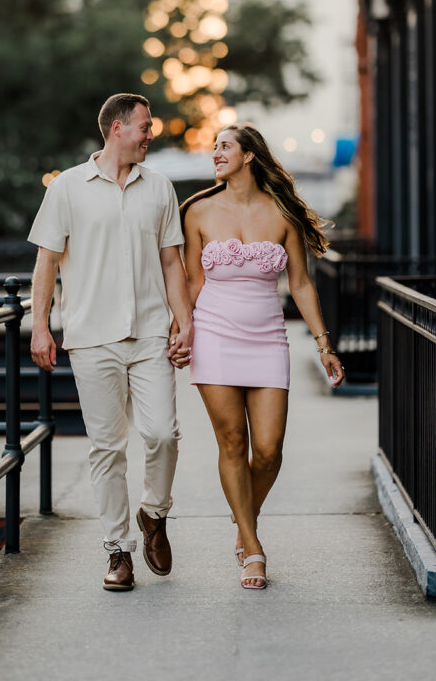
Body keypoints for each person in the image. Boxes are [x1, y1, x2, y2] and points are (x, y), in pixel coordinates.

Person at [28, 93, 193, 592]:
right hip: (90, 335)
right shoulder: (67, 188)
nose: (151, 134)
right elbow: (47, 263)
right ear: (117, 128)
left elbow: (172, 263)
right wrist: (40, 326)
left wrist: (184, 323)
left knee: (163, 433)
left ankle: (154, 513)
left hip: (149, 333)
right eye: (145, 126)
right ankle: (118, 550)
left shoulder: (159, 187)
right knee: (106, 448)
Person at [170, 123, 343, 590]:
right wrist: (181, 330)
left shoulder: (282, 212)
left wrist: (323, 343)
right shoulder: (198, 211)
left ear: (249, 155)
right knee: (233, 443)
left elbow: (301, 284)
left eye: (224, 146)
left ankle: (243, 514)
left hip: (267, 337)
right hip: (214, 335)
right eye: (214, 148)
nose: (216, 154)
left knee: (268, 450)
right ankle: (251, 546)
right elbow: (191, 282)